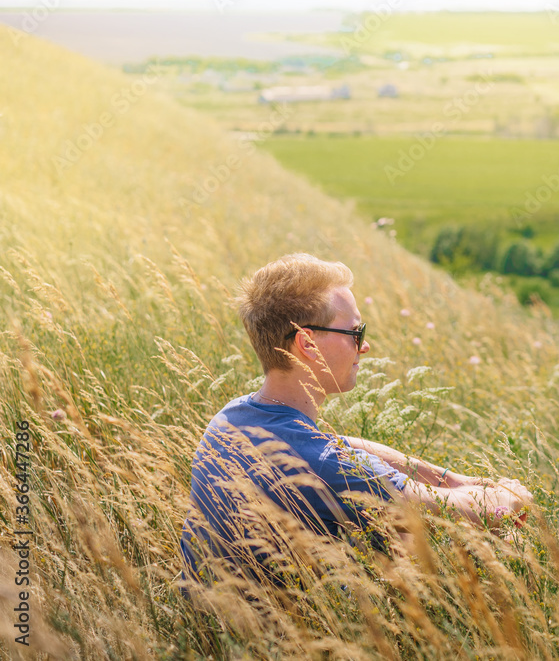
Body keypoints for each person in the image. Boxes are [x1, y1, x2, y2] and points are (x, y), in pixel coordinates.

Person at [179, 253, 532, 596]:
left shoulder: (233, 416)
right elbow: (474, 513)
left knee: (394, 533)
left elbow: (340, 443)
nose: (364, 346)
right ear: (308, 344)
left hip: (211, 626)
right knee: (481, 539)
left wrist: (454, 480)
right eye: (355, 332)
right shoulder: (322, 465)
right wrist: (511, 496)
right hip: (277, 641)